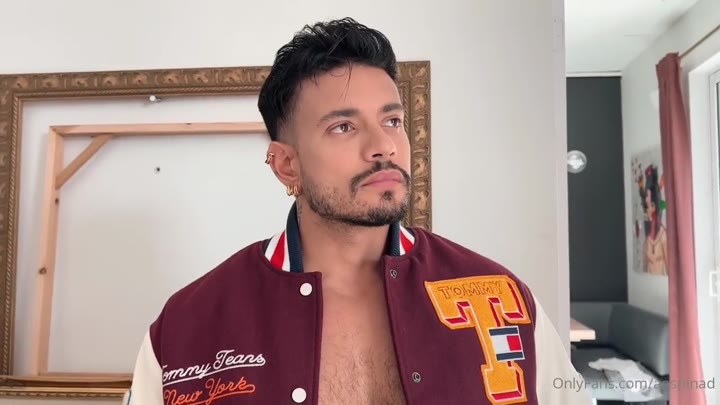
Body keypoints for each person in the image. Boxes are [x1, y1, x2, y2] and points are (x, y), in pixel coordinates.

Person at [124, 17, 593, 405]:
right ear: (286, 165)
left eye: (392, 120)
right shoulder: (186, 325)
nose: (384, 145)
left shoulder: (503, 299)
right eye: (343, 127)